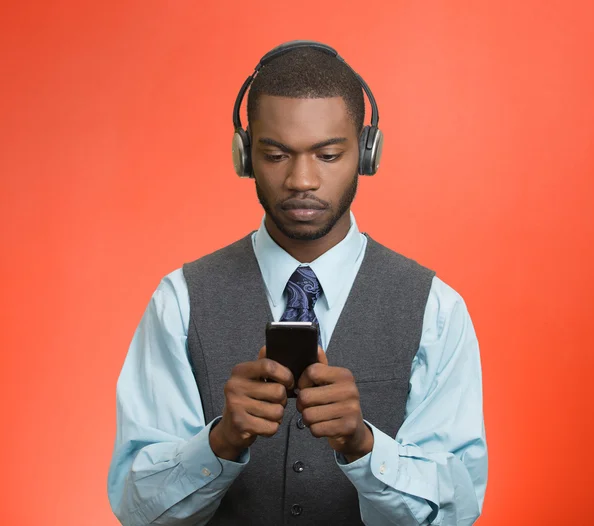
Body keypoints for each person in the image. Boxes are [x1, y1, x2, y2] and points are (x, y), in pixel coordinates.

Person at [107, 40, 488, 526]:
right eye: (276, 154)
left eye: (328, 155)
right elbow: (138, 513)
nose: (301, 180)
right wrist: (219, 443)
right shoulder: (179, 301)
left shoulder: (436, 309)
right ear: (244, 156)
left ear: (367, 154)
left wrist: (365, 448)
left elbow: (455, 514)